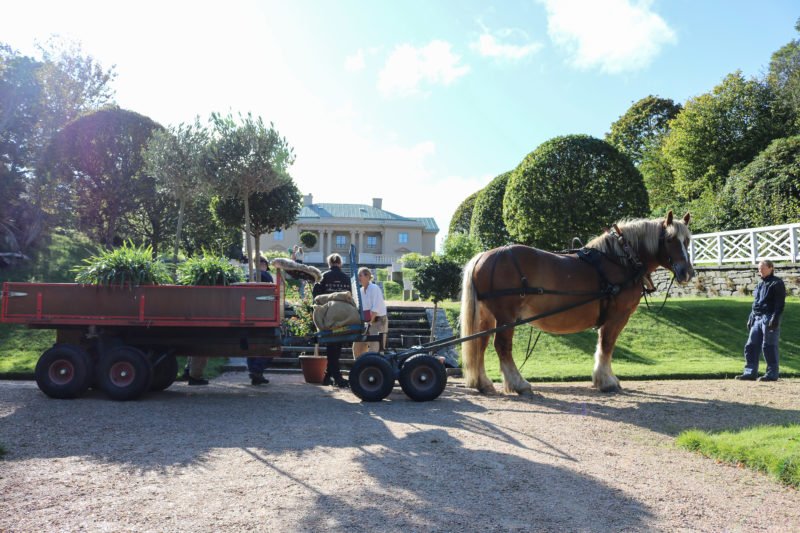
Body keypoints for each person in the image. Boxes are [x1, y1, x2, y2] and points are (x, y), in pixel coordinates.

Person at [736, 260, 785, 382]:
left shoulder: (777, 283)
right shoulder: (759, 284)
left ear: (771, 268)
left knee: (769, 346)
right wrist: (751, 316)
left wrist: (775, 318)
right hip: (757, 318)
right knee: (751, 345)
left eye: (762, 268)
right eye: (759, 269)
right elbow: (756, 303)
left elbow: (780, 304)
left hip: (769, 317)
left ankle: (772, 374)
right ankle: (750, 372)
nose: (760, 271)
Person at [312, 253, 351, 387]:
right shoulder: (346, 278)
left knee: (331, 346)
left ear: (329, 263)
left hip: (328, 314)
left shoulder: (323, 277)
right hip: (343, 316)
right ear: (340, 263)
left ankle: (332, 376)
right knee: (336, 346)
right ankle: (333, 376)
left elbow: (316, 296)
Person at [247, 256, 273, 385]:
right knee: (269, 346)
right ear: (262, 264)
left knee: (251, 346)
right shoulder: (266, 276)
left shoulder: (249, 276)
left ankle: (255, 373)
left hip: (247, 313)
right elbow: (272, 294)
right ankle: (257, 370)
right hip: (264, 314)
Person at [353, 267, 388, 358]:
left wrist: (369, 323)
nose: (358, 278)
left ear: (368, 276)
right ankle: (360, 368)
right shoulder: (360, 291)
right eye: (358, 276)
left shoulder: (374, 288)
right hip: (366, 322)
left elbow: (375, 309)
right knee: (357, 348)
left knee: (375, 350)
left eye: (360, 275)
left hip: (378, 321)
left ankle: (376, 370)